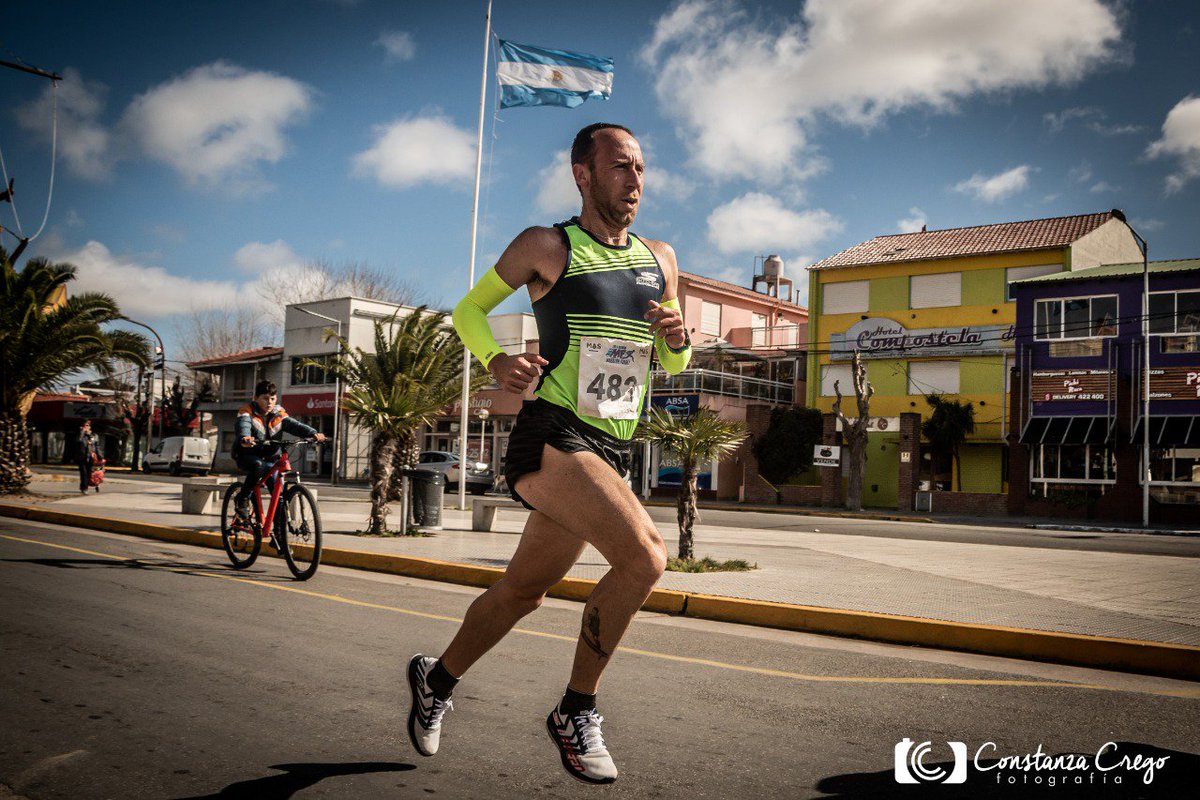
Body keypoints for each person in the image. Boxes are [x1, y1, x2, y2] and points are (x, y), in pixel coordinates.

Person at [407, 123, 691, 784]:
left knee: (524, 591)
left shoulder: (662, 258)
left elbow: (672, 361)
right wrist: (498, 359)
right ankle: (576, 709)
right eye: (621, 166)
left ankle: (436, 679)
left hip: (611, 445)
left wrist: (678, 338)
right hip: (553, 435)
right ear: (583, 174)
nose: (636, 180)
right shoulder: (549, 246)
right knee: (646, 556)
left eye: (642, 168)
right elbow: (469, 309)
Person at [232, 381, 325, 541]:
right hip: (247, 455)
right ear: (256, 398)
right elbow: (244, 425)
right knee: (258, 465)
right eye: (265, 398)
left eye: (273, 399)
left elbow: (294, 425)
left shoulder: (278, 413)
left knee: (280, 495)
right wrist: (244, 438)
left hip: (270, 459)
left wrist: (312, 433)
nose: (269, 402)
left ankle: (279, 535)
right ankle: (243, 499)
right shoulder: (247, 411)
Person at [77, 420, 101, 494]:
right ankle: (84, 488)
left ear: (90, 427)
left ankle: (85, 486)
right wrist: (82, 432)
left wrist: (100, 455)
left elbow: (97, 446)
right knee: (83, 473)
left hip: (91, 457)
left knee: (89, 473)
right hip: (82, 457)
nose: (86, 427)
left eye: (87, 425)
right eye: (84, 425)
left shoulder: (94, 436)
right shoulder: (81, 435)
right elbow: (79, 441)